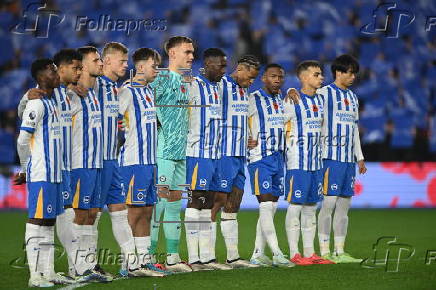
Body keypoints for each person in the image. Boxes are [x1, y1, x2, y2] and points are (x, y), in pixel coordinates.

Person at [286, 55, 367, 263]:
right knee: (328, 204)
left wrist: (360, 156)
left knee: (344, 206)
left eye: (354, 73)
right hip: (328, 157)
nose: (353, 77)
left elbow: (354, 129)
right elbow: (302, 93)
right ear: (339, 72)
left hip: (348, 160)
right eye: (350, 72)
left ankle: (340, 251)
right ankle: (324, 250)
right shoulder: (324, 93)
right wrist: (290, 90)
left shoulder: (353, 98)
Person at [16, 58, 72, 287]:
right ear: (40, 77)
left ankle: (48, 272)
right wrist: (24, 168)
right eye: (52, 70)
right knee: (36, 220)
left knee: (48, 223)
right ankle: (34, 275)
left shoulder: (52, 103)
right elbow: (22, 140)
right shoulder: (36, 103)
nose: (56, 73)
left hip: (55, 174)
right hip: (42, 173)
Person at [117, 47, 168, 277]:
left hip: (150, 161)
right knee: (134, 211)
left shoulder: (149, 92)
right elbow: (115, 121)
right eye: (154, 65)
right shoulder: (126, 91)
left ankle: (144, 260)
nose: (157, 70)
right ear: (140, 67)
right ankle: (127, 261)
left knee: (147, 210)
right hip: (132, 161)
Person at [210, 55, 261, 268]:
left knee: (234, 203)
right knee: (216, 202)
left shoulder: (245, 90)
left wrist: (249, 134)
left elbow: (245, 116)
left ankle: (233, 256)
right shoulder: (221, 85)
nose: (251, 82)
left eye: (253, 80)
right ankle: (207, 256)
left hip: (240, 155)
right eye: (249, 78)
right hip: (223, 153)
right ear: (239, 69)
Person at [149, 36, 194, 272]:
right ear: (172, 53)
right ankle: (149, 257)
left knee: (176, 204)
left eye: (192, 52)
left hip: (180, 152)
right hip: (162, 151)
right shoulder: (163, 78)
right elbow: (142, 103)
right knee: (159, 204)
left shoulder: (185, 81)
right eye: (187, 52)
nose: (192, 56)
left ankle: (173, 257)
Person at [184, 48, 231, 271]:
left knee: (209, 203)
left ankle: (208, 257)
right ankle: (194, 259)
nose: (224, 70)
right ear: (208, 65)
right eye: (221, 66)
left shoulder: (221, 86)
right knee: (196, 201)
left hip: (215, 154)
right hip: (197, 153)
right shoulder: (193, 85)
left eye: (225, 66)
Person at [283, 60, 333, 265]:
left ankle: (310, 253)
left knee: (311, 207)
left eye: (321, 74)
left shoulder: (321, 100)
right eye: (316, 74)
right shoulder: (292, 99)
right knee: (295, 205)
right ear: (303, 77)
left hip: (316, 162)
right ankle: (294, 254)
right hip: (298, 161)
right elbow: (280, 126)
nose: (321, 77)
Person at [68, 46, 111, 282]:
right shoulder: (70, 94)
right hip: (79, 163)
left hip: (96, 163)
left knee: (91, 214)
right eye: (96, 60)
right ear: (82, 66)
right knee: (79, 214)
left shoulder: (93, 94)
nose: (101, 63)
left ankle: (88, 264)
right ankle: (77, 267)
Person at [95, 42, 138, 275]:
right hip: (93, 160)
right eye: (122, 61)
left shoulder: (115, 88)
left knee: (119, 209)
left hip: (112, 159)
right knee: (90, 214)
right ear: (107, 61)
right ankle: (85, 264)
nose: (125, 65)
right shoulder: (93, 84)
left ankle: (131, 262)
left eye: (126, 61)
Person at [247, 64, 294, 267]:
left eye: (280, 77)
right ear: (264, 78)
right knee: (265, 205)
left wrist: (292, 90)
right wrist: (245, 138)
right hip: (259, 159)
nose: (277, 80)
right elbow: (236, 120)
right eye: (273, 76)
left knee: (271, 207)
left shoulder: (282, 100)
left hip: (278, 158)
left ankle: (257, 254)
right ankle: (276, 252)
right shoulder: (252, 99)